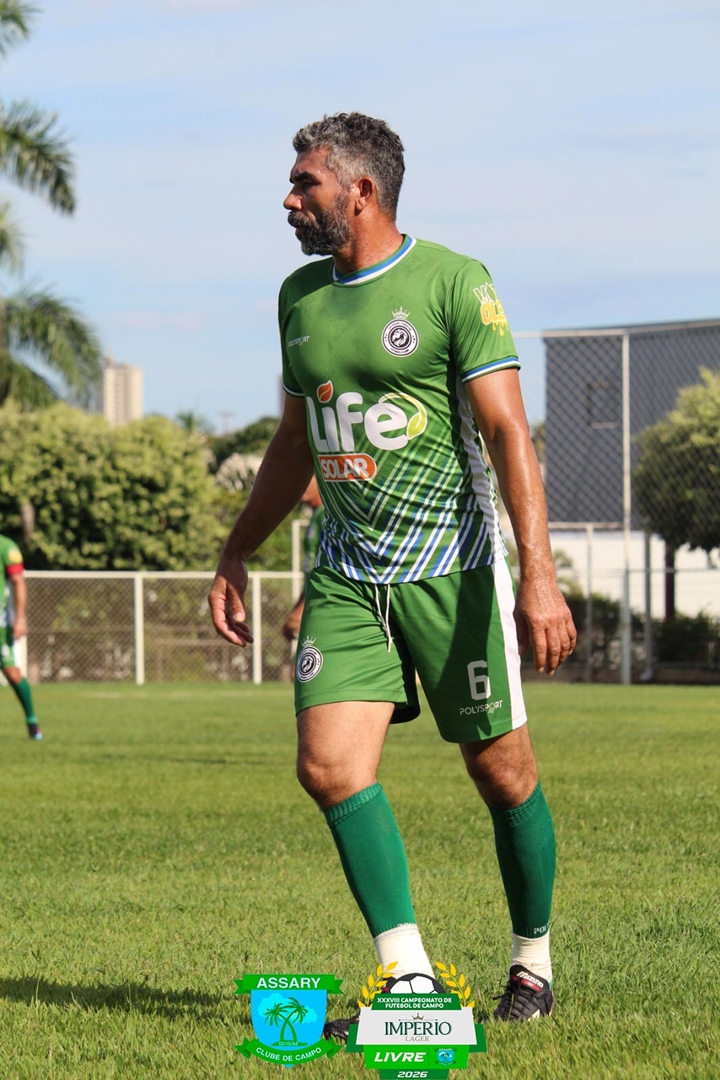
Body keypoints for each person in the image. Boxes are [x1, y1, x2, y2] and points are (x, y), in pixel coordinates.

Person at [209, 112, 576, 1029]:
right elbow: (295, 441)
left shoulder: (454, 281)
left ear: (361, 191)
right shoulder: (299, 298)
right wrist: (237, 550)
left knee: (503, 774)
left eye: (305, 184)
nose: (288, 201)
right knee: (329, 766)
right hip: (346, 576)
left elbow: (507, 433)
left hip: (453, 569)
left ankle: (532, 964)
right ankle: (409, 978)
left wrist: (537, 576)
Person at [0, 533, 42, 740]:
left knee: (12, 673)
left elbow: (18, 581)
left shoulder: (6, 546)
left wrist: (19, 618)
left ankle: (32, 721)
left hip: (1, 623)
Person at [282, 476, 324, 645]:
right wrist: (299, 606)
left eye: (309, 477)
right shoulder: (316, 515)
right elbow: (310, 572)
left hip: (325, 601)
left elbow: (327, 566)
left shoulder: (327, 515)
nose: (303, 484)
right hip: (312, 600)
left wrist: (303, 607)